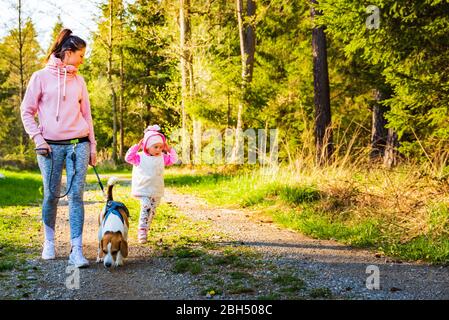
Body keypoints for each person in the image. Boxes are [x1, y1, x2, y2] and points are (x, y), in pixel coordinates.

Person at [20, 29, 96, 268]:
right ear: (68, 53)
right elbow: (26, 111)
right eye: (81, 55)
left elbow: (87, 116)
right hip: (49, 148)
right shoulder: (40, 77)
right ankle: (49, 242)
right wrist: (37, 139)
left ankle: (76, 250)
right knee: (51, 195)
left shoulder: (79, 80)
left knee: (76, 197)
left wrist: (92, 147)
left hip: (78, 145)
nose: (83, 60)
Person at [125, 125, 178, 243]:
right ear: (147, 147)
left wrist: (169, 150)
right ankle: (141, 230)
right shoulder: (139, 157)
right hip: (143, 188)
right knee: (146, 206)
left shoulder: (162, 157)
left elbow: (174, 159)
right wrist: (136, 147)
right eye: (155, 147)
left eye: (161, 147)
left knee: (152, 210)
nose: (159, 150)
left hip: (156, 189)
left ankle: (146, 228)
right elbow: (128, 158)